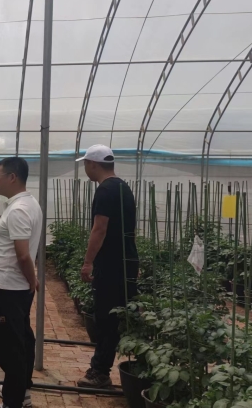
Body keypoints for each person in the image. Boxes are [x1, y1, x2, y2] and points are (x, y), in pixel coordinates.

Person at [76, 145, 138, 388]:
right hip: (126, 260)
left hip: (110, 265)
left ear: (93, 164)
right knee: (118, 317)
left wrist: (88, 262)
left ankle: (100, 372)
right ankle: (104, 368)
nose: (85, 168)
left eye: (85, 164)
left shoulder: (104, 191)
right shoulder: (123, 187)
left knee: (105, 319)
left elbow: (99, 229)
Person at [0, 157, 41, 408]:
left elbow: (23, 254)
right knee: (21, 339)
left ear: (12, 177)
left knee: (8, 347)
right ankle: (21, 389)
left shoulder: (19, 210)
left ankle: (13, 401)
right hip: (13, 286)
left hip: (9, 287)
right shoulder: (28, 204)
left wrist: (32, 280)